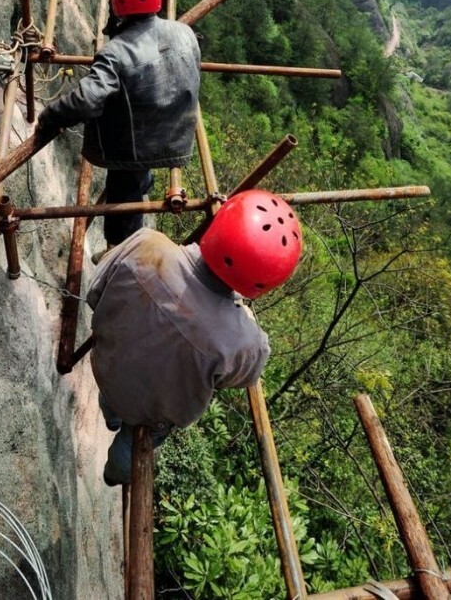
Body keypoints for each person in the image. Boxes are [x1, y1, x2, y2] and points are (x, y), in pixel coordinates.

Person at [86, 189, 303, 485]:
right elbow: (245, 377)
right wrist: (245, 322)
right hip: (151, 414)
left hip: (107, 369)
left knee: (113, 394)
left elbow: (94, 295)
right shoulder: (243, 342)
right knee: (133, 443)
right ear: (264, 282)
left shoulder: (147, 242)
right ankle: (113, 475)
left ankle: (111, 415)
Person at [37, 0, 200, 250]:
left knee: (122, 203)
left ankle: (119, 250)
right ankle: (142, 189)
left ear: (117, 5)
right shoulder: (185, 32)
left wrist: (49, 116)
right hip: (175, 137)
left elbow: (87, 100)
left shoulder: (116, 51)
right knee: (137, 180)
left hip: (134, 149)